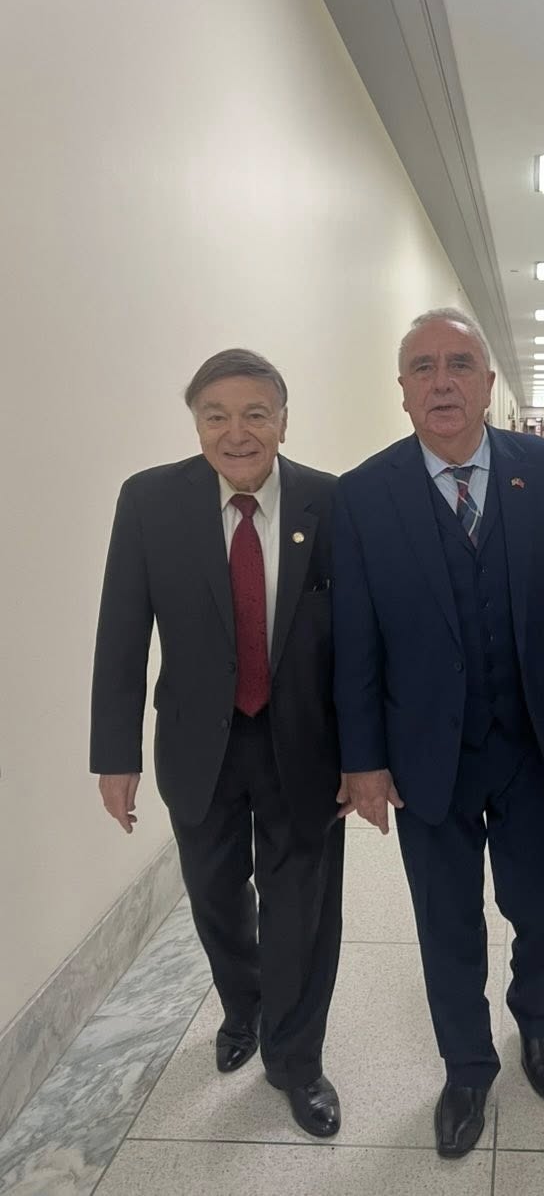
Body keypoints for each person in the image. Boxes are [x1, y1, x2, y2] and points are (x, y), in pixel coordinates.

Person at [333, 308, 544, 1158]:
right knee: (446, 921)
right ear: (403, 390)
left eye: (459, 364)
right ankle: (465, 1064)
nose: (442, 381)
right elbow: (355, 643)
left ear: (490, 384)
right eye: (423, 367)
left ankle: (539, 1019)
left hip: (539, 747)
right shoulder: (362, 495)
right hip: (427, 755)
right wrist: (363, 761)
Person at [91, 350, 344, 1138]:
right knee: (215, 896)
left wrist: (365, 755)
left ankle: (297, 1059)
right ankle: (245, 1004)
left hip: (305, 743)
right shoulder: (149, 502)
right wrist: (115, 755)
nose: (237, 433)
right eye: (216, 416)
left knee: (303, 908)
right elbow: (122, 630)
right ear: (197, 424)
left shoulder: (330, 501)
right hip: (200, 742)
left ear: (283, 421)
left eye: (255, 414)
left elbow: (361, 640)